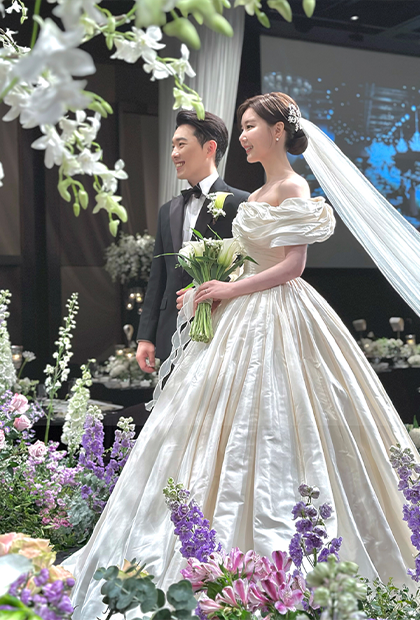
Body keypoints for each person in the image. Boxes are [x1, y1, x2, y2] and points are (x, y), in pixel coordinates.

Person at [65, 93, 420, 619]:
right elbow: (249, 261)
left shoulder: (293, 186)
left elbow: (293, 265)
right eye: (243, 127)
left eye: (251, 126)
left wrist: (229, 289)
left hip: (282, 312)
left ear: (278, 131)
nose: (245, 136)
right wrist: (210, 287)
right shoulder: (256, 192)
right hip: (242, 312)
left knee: (286, 416)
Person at [136, 109, 249, 371]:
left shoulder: (241, 203)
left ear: (209, 148)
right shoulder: (168, 210)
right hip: (170, 332)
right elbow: (158, 276)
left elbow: (249, 269)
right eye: (173, 146)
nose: (174, 153)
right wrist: (145, 336)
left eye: (181, 145)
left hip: (220, 329)